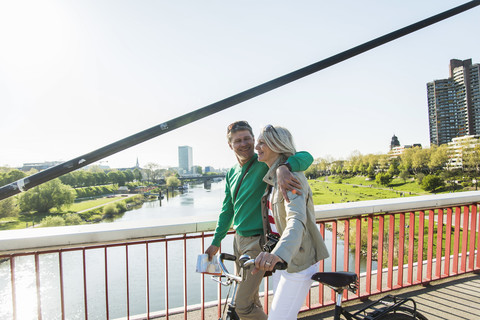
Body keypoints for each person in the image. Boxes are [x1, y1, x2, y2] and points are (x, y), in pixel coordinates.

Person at [205, 121, 313, 320]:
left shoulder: (265, 162)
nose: (245, 143)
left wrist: (284, 168)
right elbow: (227, 209)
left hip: (258, 241)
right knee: (251, 299)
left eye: (248, 138)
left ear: (254, 139)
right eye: (238, 140)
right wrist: (216, 241)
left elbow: (307, 157)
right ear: (230, 145)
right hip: (239, 239)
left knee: (242, 305)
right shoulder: (231, 173)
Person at [252, 124, 329, 320]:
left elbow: (296, 219)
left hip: (298, 261)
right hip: (284, 260)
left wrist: (278, 254)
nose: (256, 146)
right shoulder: (278, 175)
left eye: (262, 143)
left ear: (276, 145)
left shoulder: (290, 178)